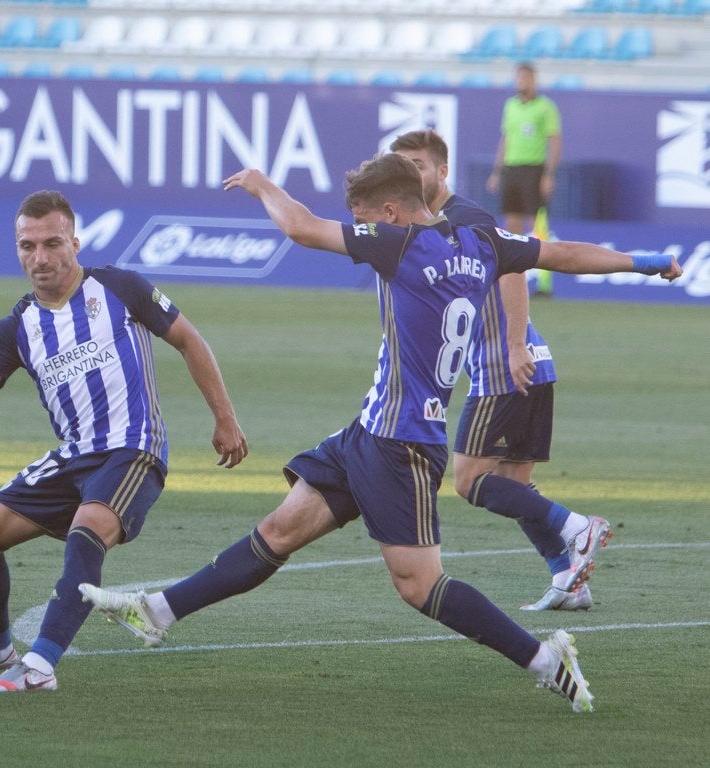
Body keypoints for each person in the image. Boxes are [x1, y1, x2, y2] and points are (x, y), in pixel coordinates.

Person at [80, 154, 681, 713]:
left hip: (403, 445)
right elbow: (566, 254)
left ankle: (547, 659)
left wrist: (262, 184)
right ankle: (157, 611)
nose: (357, 228)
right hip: (371, 430)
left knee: (419, 585)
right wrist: (644, 263)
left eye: (362, 217)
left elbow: (301, 227)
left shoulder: (401, 245)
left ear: (390, 213)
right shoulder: (482, 241)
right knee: (282, 528)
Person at [0, 189, 248, 693]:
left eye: (52, 243)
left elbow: (189, 340)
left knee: (87, 532)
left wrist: (225, 419)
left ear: (75, 243)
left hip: (133, 448)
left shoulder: (121, 288)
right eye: (27, 246)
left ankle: (40, 667)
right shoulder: (19, 325)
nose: (40, 257)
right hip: (73, 456)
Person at [391, 129, 593, 612]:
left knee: (469, 481)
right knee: (514, 484)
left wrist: (515, 344)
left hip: (506, 366)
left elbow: (514, 268)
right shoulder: (429, 223)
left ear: (442, 170)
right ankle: (568, 577)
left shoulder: (466, 219)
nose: (410, 174)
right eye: (402, 166)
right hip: (529, 364)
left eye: (418, 164)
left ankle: (575, 527)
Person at [487, 61, 562, 296]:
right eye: (519, 78)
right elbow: (506, 138)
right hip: (512, 168)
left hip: (534, 168)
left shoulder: (545, 107)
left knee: (537, 223)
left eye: (526, 78)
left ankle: (545, 282)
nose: (522, 82)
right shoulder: (510, 106)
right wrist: (497, 171)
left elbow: (555, 141)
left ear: (534, 80)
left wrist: (549, 174)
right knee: (512, 225)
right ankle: (514, 279)